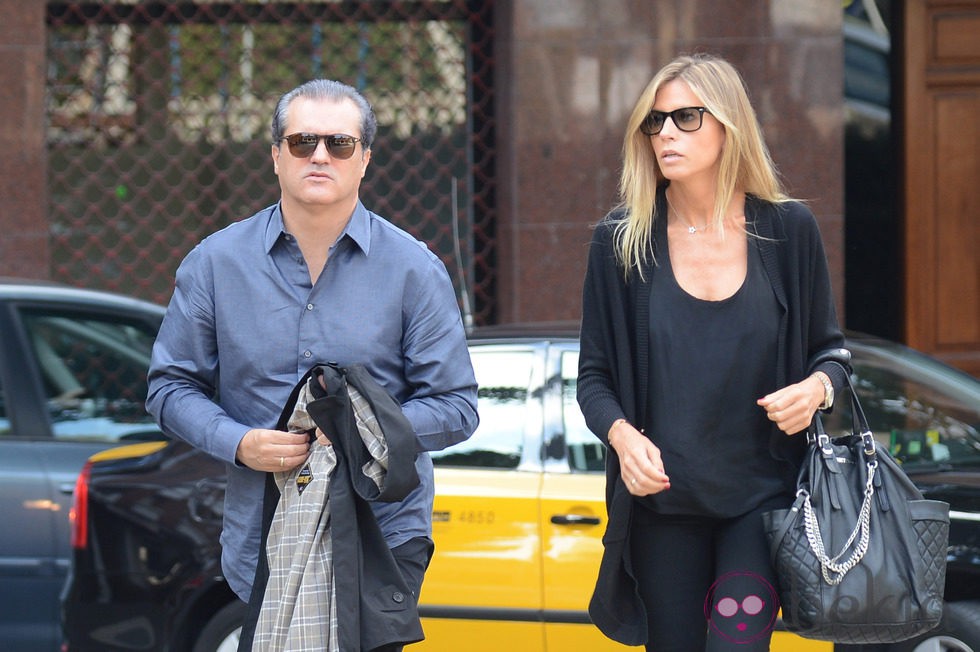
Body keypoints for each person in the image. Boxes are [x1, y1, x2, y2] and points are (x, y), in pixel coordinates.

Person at [146, 79, 479, 649]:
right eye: (302, 142)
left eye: (339, 144)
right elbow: (169, 387)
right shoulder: (215, 263)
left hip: (381, 537)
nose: (319, 155)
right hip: (261, 532)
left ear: (365, 159)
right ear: (276, 156)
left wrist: (364, 429)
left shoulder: (414, 270)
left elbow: (456, 407)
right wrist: (239, 442)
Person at [576, 53, 849, 652]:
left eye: (686, 117)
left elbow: (830, 354)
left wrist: (815, 390)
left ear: (729, 126)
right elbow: (593, 379)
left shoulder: (788, 231)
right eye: (655, 121)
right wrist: (623, 437)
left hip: (760, 504)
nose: (666, 132)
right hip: (663, 511)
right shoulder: (620, 242)